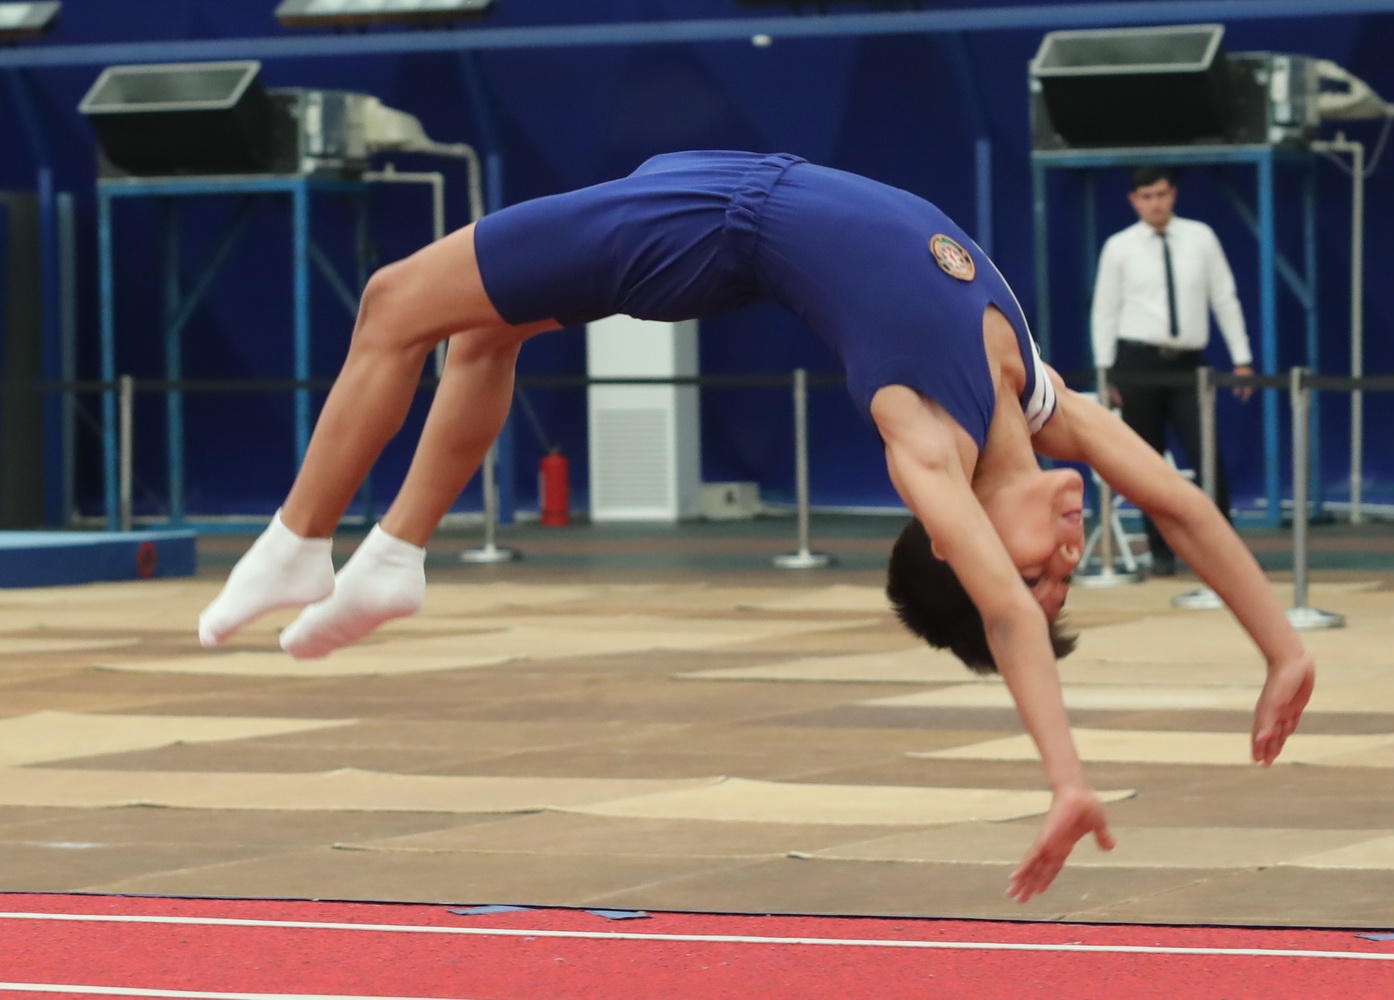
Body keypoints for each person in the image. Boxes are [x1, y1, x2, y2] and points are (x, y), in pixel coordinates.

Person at [196, 150, 1315, 902]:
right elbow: (1181, 503)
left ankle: (302, 538)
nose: (1068, 554)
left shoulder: (923, 438)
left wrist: (1066, 777)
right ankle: (393, 555)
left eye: (1041, 575)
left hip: (711, 228)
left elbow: (1012, 627)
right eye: (1067, 572)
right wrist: (1281, 647)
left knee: (395, 299)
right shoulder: (1042, 403)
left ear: (956, 545)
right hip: (716, 185)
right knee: (481, 335)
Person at [1090, 165, 1255, 577]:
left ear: (1173, 195)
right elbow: (1105, 310)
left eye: (1161, 194)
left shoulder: (1200, 237)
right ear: (1133, 201)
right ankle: (1161, 551)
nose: (1155, 203)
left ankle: (1224, 550)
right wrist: (1105, 371)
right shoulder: (1119, 247)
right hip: (1136, 363)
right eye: (1146, 197)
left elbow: (1225, 297)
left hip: (1187, 363)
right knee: (1145, 463)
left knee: (1206, 456)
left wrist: (1242, 357)